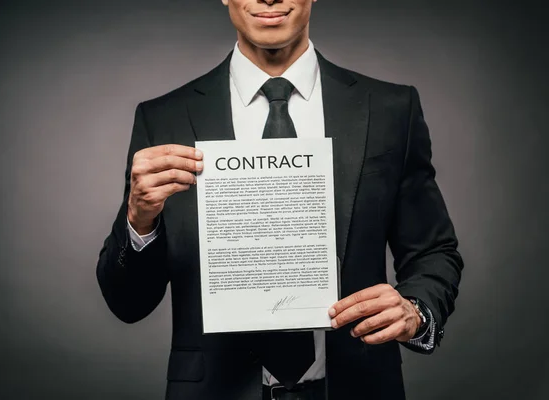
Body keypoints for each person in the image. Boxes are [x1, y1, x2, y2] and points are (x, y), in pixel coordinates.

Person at [96, 0, 464, 399]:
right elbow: (128, 304)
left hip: (359, 386)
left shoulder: (392, 109)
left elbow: (434, 250)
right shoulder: (163, 118)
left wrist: (416, 310)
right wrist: (139, 222)